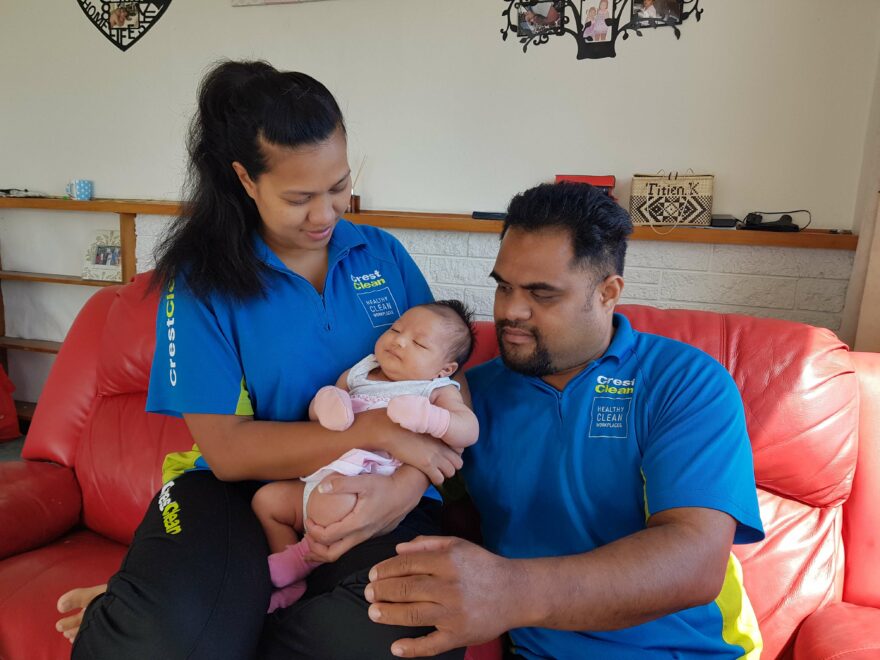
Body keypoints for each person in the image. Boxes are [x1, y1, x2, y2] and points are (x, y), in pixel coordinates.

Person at [54, 59, 467, 660]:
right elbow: (226, 451)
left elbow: (449, 389)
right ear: (246, 180)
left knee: (406, 635)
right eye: (299, 197)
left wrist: (404, 488)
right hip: (233, 497)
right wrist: (377, 429)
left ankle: (193, 604)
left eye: (337, 187)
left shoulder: (383, 255)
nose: (325, 214)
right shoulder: (202, 284)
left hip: (370, 486)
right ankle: (174, 602)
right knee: (161, 640)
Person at [364, 182, 765, 659]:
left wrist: (511, 591)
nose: (511, 311)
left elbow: (695, 562)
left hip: (686, 652)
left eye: (542, 294)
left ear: (608, 293)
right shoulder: (467, 397)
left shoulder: (684, 381)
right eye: (503, 286)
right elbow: (446, 512)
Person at [254, 301, 479, 612]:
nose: (399, 340)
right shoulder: (363, 369)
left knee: (330, 503)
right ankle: (292, 574)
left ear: (445, 368)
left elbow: (468, 430)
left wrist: (430, 419)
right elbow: (326, 403)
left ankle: (303, 558)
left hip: (364, 486)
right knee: (266, 501)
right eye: (395, 329)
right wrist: (327, 403)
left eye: (419, 343)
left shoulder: (435, 389)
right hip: (319, 471)